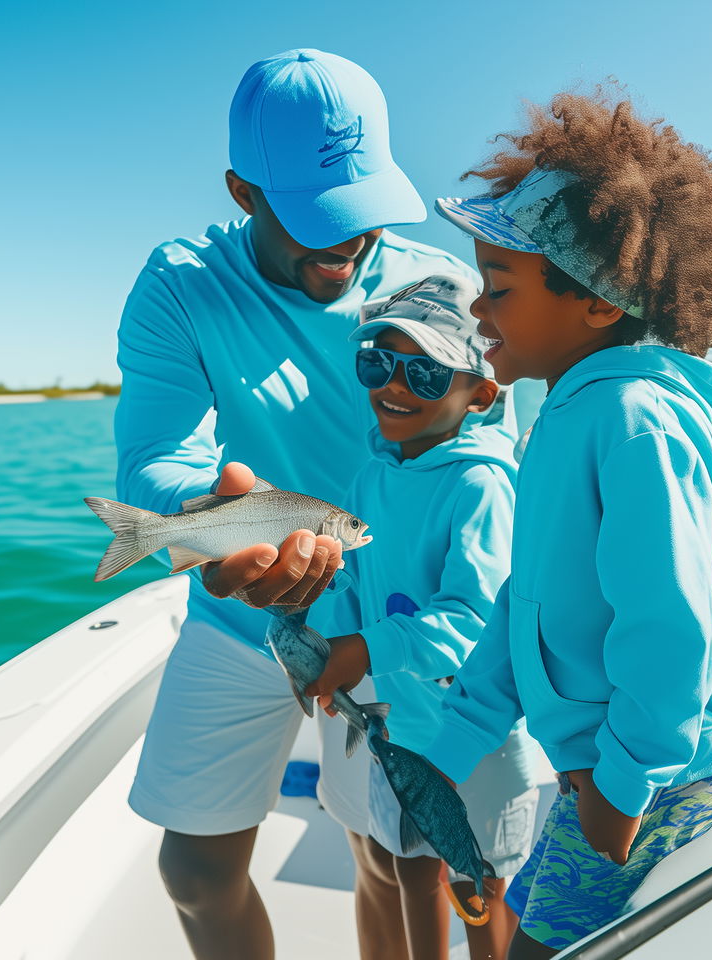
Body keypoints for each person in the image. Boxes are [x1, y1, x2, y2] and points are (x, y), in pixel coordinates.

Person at [115, 48, 478, 960]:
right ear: (244, 192)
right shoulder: (182, 282)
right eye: (318, 217)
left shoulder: (433, 281)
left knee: (384, 856)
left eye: (362, 210)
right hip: (241, 610)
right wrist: (210, 523)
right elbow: (158, 453)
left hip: (390, 610)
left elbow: (482, 451)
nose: (348, 241)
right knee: (193, 874)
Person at [407, 89, 712, 959]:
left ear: (598, 304)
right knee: (527, 920)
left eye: (496, 288)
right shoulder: (567, 411)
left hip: (654, 767)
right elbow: (532, 597)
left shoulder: (632, 420)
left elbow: (669, 622)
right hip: (612, 754)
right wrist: (457, 737)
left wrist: (624, 781)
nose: (477, 312)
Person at [307, 273, 539, 960]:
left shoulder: (482, 483)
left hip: (480, 739)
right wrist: (328, 645)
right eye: (376, 362)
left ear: (482, 395)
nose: (395, 387)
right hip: (397, 728)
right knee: (409, 871)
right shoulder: (371, 474)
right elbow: (355, 582)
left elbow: (472, 623)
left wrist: (365, 650)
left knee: (477, 889)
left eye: (427, 374)